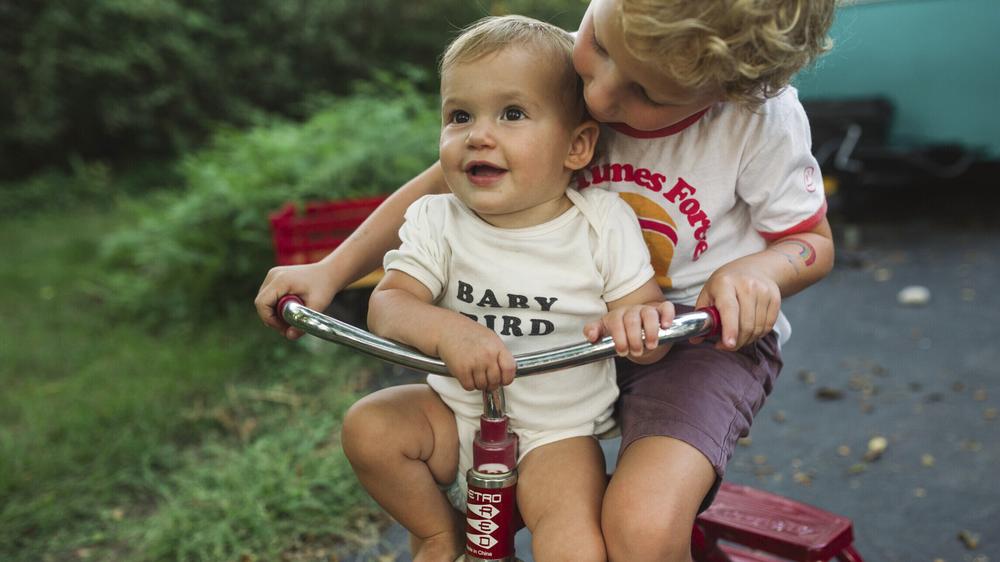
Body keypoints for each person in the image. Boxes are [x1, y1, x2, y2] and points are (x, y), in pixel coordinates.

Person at [255, 1, 837, 561]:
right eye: (599, 45)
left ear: (726, 90)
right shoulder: (554, 77)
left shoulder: (757, 119)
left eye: (646, 93)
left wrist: (757, 271)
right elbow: (436, 187)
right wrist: (331, 270)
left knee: (639, 528)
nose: (601, 94)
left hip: (691, 341)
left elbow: (813, 243)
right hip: (562, 337)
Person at [337, 16, 671, 562]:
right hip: (453, 413)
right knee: (369, 428)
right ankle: (437, 531)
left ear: (577, 145)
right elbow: (388, 303)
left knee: (575, 546)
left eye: (512, 114)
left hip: (556, 433)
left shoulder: (601, 222)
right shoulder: (437, 218)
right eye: (459, 115)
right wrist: (450, 332)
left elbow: (646, 319)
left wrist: (638, 327)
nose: (478, 134)